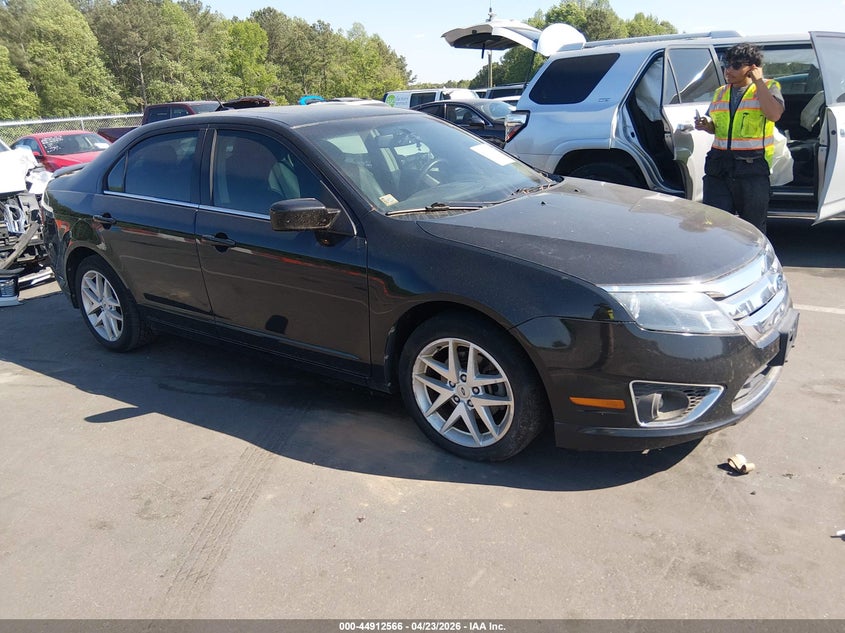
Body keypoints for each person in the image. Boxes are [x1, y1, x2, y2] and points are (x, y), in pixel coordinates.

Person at [695, 43, 784, 234]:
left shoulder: (769, 87)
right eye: (727, 64)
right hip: (719, 167)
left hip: (751, 168)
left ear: (752, 68)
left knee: (753, 230)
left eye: (736, 65)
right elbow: (717, 128)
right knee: (715, 225)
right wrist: (706, 125)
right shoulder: (721, 92)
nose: (729, 70)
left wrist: (759, 82)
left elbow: (774, 114)